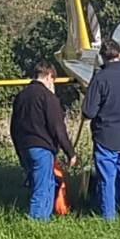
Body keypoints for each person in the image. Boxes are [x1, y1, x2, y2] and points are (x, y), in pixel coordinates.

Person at [82, 39, 120, 221]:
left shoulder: (100, 79)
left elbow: (88, 111)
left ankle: (108, 219)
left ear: (102, 58)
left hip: (105, 137)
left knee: (107, 180)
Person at [11, 61, 77, 221]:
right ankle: (36, 223)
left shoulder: (21, 96)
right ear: (49, 76)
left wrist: (19, 149)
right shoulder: (48, 97)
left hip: (24, 146)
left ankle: (44, 220)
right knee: (42, 188)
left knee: (44, 184)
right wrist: (70, 152)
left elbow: (13, 126)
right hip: (42, 148)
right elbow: (57, 128)